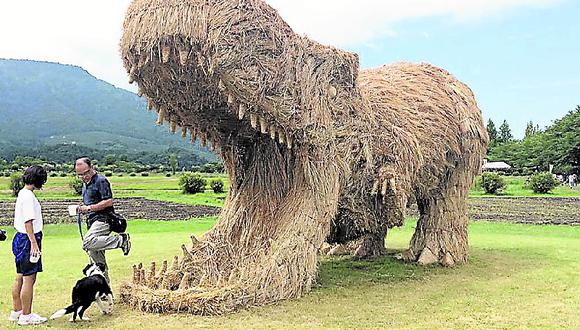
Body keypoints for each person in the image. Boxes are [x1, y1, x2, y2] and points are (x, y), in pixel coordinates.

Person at [75, 157, 131, 284]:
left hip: (103, 219)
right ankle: (104, 289)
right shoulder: (85, 184)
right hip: (91, 221)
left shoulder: (101, 180)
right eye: (80, 175)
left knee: (87, 242)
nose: (84, 177)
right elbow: (90, 202)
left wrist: (89, 208)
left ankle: (121, 240)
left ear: (92, 167)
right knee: (96, 259)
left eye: (86, 173)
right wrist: (81, 208)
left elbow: (109, 201)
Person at [9, 165, 48, 325]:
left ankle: (17, 311)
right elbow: (28, 222)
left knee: (20, 276)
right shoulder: (29, 197)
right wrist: (34, 244)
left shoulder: (22, 193)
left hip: (20, 238)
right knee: (29, 279)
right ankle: (26, 315)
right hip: (28, 239)